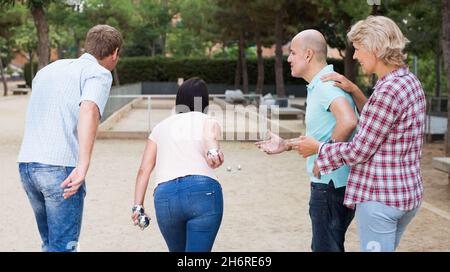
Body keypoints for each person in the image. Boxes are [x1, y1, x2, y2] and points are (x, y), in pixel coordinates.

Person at [296, 16, 425, 252]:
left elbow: (359, 151)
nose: (354, 56)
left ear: (374, 47)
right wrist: (355, 90)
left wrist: (319, 149)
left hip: (381, 198)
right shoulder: (408, 82)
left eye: (357, 49)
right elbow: (380, 123)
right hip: (406, 193)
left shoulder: (387, 91)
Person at [17, 25, 123, 252]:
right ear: (114, 53)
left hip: (27, 164)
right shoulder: (99, 73)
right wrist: (83, 164)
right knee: (63, 248)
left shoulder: (48, 70)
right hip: (59, 167)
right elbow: (89, 110)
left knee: (50, 245)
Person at [256, 30, 358, 252]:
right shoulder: (320, 85)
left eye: (293, 53)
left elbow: (349, 121)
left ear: (309, 54)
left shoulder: (324, 86)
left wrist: (326, 156)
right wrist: (286, 144)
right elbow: (321, 135)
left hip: (329, 187)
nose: (289, 59)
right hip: (333, 186)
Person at [132, 77, 225, 252]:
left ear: (178, 101)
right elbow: (209, 137)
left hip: (165, 197)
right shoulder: (208, 120)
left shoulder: (160, 127)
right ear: (205, 102)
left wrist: (138, 206)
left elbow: (144, 169)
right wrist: (212, 151)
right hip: (202, 191)